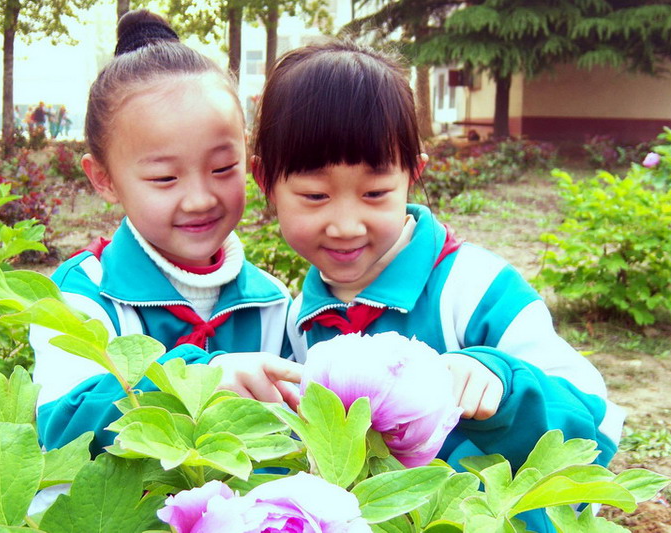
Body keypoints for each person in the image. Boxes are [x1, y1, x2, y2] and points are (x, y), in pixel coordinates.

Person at [251, 40, 625, 532]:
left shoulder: (476, 290)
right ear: (265, 182)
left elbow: (596, 425)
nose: (345, 225)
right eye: (314, 195)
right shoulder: (299, 321)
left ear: (413, 175)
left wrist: (504, 385)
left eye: (375, 193)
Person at [30, 9, 302, 460]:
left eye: (222, 168)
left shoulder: (271, 301)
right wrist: (201, 380)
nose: (199, 199)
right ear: (103, 178)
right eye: (164, 178)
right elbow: (64, 420)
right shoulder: (82, 294)